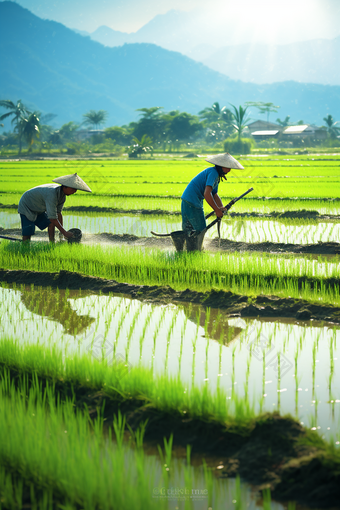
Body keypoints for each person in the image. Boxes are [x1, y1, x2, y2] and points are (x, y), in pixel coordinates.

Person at [18, 173, 92, 242]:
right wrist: (65, 232)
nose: (75, 191)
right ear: (65, 187)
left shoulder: (62, 197)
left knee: (50, 223)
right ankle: (25, 248)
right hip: (27, 206)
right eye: (73, 189)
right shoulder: (52, 195)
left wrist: (61, 234)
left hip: (38, 208)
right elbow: (52, 218)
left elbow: (58, 214)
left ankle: (52, 242)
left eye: (76, 190)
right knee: (28, 231)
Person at [181, 153, 244, 234]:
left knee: (188, 229)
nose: (229, 170)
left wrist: (220, 207)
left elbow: (214, 194)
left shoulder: (215, 175)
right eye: (227, 167)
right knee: (201, 229)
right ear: (221, 166)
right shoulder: (213, 173)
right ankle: (195, 246)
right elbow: (207, 194)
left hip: (187, 199)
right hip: (193, 201)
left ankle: (187, 245)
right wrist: (217, 210)